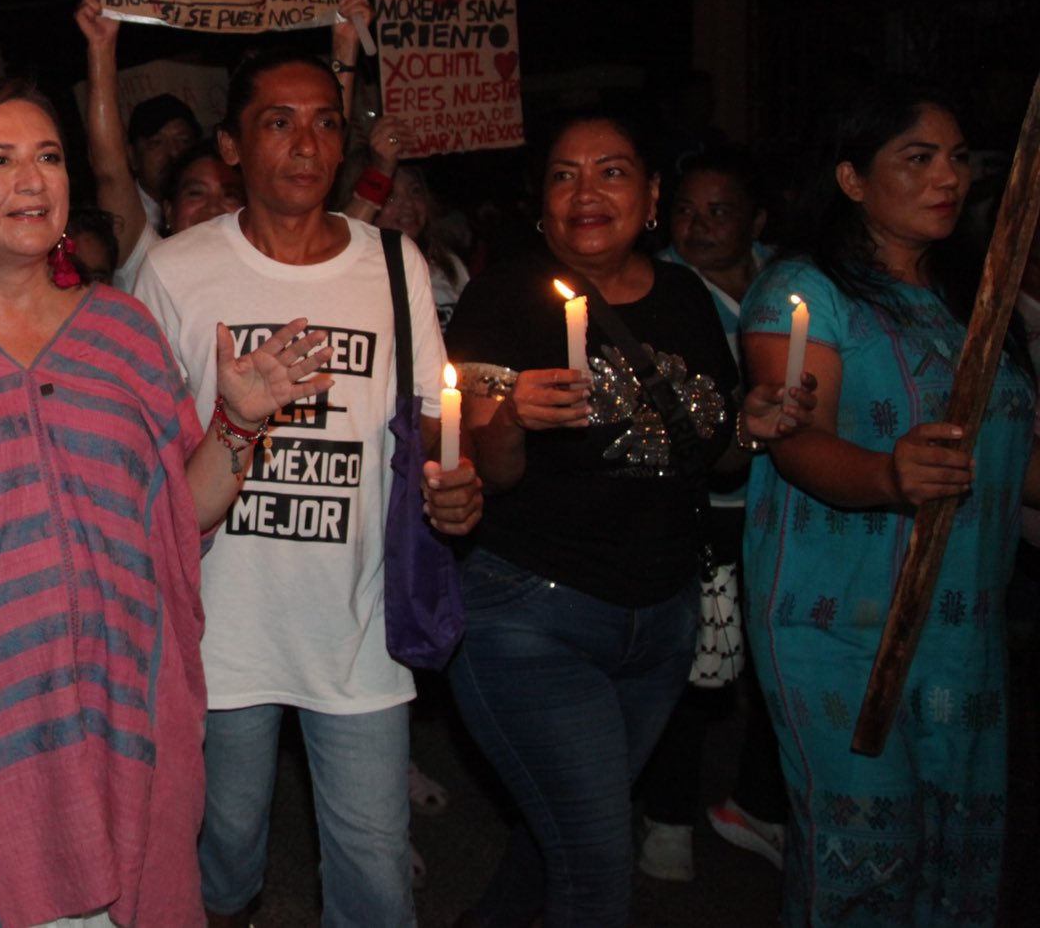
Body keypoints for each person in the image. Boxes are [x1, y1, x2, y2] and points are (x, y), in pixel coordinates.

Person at [0, 77, 334, 926]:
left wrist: (238, 423)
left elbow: (178, 518)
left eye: (47, 157)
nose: (32, 179)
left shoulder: (123, 332)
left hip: (123, 716)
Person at [135, 51, 486, 928]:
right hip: (222, 631)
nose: (307, 142)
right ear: (231, 144)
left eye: (327, 120)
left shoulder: (395, 264)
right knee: (223, 852)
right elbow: (135, 452)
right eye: (279, 121)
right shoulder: (176, 271)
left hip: (356, 627)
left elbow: (432, 427)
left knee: (374, 871)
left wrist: (457, 488)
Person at [444, 110, 809, 928]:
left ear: (650, 197)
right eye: (564, 175)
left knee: (559, 845)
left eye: (611, 171)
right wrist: (512, 417)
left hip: (661, 623)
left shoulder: (681, 295)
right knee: (598, 869)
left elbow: (712, 452)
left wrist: (755, 421)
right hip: (534, 616)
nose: (586, 191)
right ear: (542, 204)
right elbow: (488, 472)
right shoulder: (502, 297)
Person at [740, 82, 1036, 926]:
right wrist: (887, 477)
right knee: (866, 857)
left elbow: (1012, 459)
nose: (949, 176)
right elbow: (794, 434)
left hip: (963, 629)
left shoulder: (972, 304)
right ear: (852, 178)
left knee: (955, 853)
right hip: (834, 625)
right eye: (918, 157)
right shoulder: (803, 294)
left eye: (957, 159)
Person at [636, 146, 788, 878]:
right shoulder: (660, 290)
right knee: (696, 663)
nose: (698, 227)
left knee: (780, 658)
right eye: (685, 211)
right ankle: (667, 816)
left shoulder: (791, 285)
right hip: (704, 506)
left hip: (786, 503)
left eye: (718, 211)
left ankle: (760, 801)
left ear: (756, 220)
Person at [73, 0, 242, 288]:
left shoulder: (272, 269)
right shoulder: (152, 263)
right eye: (195, 193)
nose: (214, 207)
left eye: (230, 193)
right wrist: (101, 47)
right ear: (168, 212)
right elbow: (111, 172)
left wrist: (347, 41)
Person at [374, 164, 472, 329]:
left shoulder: (448, 263)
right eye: (390, 196)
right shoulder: (364, 270)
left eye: (415, 191)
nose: (408, 205)